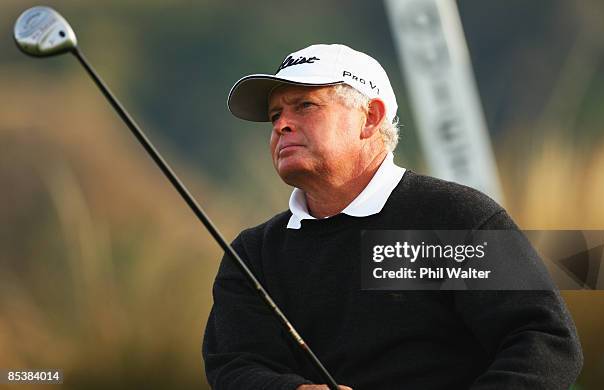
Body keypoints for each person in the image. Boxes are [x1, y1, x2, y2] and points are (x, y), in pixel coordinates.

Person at [202, 44, 583, 389]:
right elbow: (235, 365)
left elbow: (543, 342)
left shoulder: (453, 218)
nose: (282, 125)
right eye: (274, 115)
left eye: (304, 106)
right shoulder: (253, 254)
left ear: (370, 118)